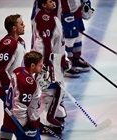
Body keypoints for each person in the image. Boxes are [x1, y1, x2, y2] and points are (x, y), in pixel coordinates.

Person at [31, 0, 66, 134]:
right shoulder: (44, 19)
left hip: (56, 59)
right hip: (50, 61)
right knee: (53, 89)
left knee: (58, 89)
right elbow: (42, 44)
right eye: (50, 1)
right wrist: (45, 63)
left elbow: (57, 41)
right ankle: (45, 118)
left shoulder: (51, 17)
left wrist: (64, 56)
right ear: (43, 5)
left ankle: (53, 112)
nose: (54, 3)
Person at [0, 14, 26, 140]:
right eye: (21, 24)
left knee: (9, 120)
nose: (24, 26)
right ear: (14, 28)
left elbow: (20, 65)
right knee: (17, 121)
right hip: (9, 89)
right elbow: (1, 71)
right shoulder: (9, 44)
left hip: (15, 87)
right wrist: (9, 91)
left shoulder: (20, 42)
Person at [5, 51, 43, 140]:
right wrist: (26, 125)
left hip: (13, 115)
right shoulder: (28, 83)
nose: (42, 67)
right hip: (25, 122)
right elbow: (20, 106)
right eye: (40, 65)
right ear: (32, 66)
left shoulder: (18, 70)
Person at [61, 0, 94, 77]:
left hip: (77, 11)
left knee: (78, 36)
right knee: (69, 39)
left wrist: (86, 3)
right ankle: (67, 65)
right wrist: (65, 14)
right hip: (68, 14)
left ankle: (76, 59)